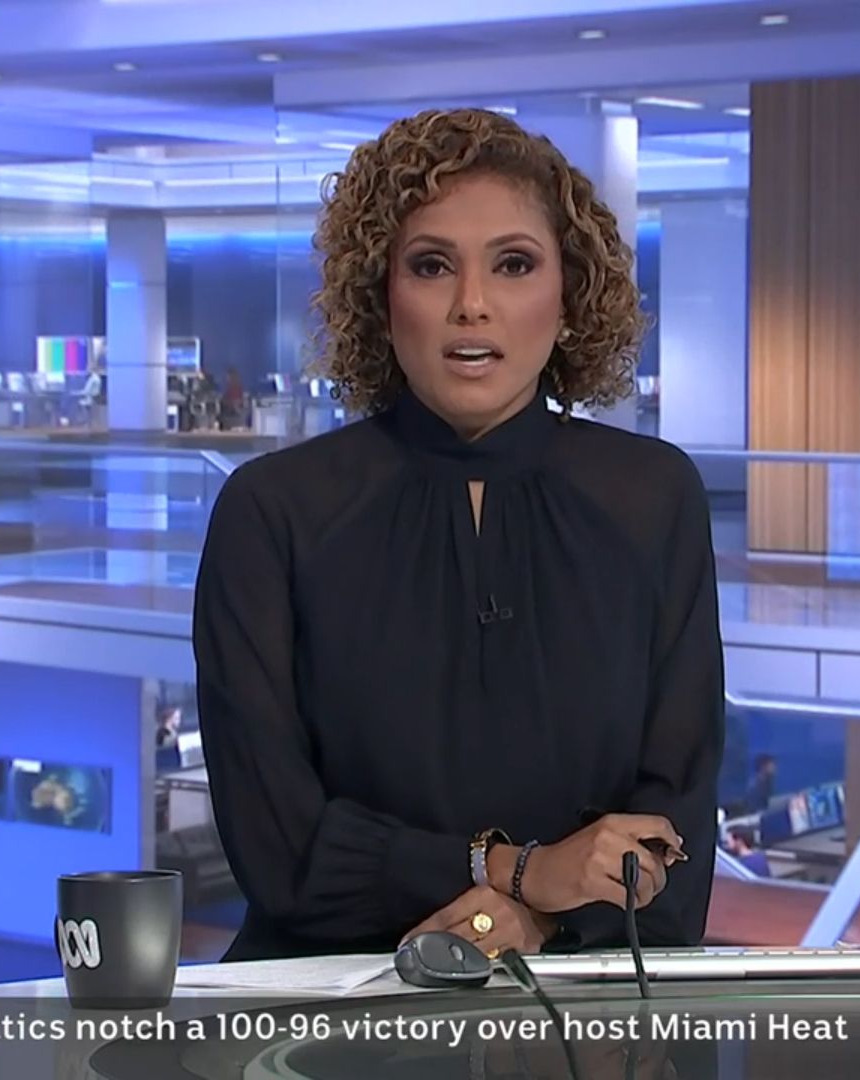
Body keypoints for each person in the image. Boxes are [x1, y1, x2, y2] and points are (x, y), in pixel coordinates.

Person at [193, 108, 724, 962]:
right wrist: (519, 871)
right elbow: (279, 848)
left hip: (576, 1007)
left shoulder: (654, 498)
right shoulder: (272, 511)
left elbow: (677, 837)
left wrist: (534, 921)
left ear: (569, 294)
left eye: (514, 264)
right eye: (432, 266)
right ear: (381, 295)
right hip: (324, 1006)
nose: (472, 305)